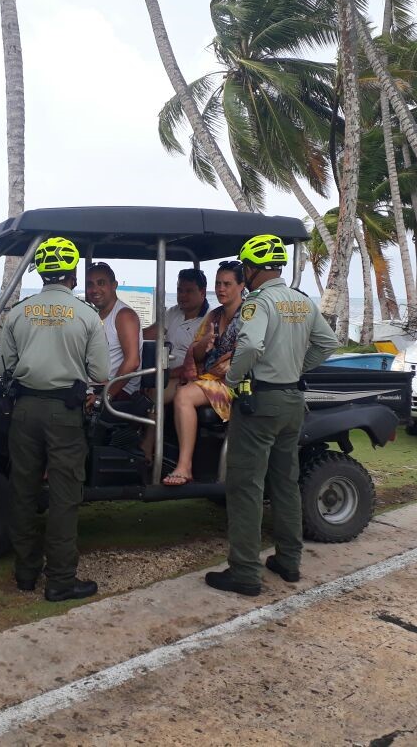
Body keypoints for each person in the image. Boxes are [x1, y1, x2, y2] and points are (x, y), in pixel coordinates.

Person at [205, 235, 338, 596]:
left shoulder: (257, 304)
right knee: (285, 483)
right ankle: (289, 561)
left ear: (249, 269)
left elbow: (249, 345)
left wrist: (232, 379)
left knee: (246, 486)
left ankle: (245, 573)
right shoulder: (301, 300)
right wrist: (297, 368)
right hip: (293, 400)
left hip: (259, 402)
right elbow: (328, 343)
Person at [0, 237, 110, 602]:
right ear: (73, 274)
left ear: (42, 272)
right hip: (65, 412)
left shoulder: (19, 311)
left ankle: (26, 573)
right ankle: (61, 580)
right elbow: (101, 372)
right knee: (64, 496)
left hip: (25, 409)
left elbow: (6, 367)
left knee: (23, 491)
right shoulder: (87, 315)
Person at [162, 261, 245, 486]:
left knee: (184, 395)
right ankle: (150, 451)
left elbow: (254, 351)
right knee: (160, 390)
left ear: (241, 286)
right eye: (218, 283)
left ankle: (184, 466)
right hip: (208, 378)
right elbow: (196, 354)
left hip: (235, 383)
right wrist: (205, 343)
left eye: (227, 284)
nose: (221, 289)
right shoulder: (215, 316)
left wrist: (230, 363)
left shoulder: (248, 317)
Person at [142, 268, 209, 401]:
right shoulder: (174, 312)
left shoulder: (209, 320)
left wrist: (164, 374)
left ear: (202, 292)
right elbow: (152, 333)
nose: (182, 296)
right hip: (164, 371)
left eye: (189, 291)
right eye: (180, 290)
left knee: (155, 395)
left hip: (187, 376)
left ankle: (151, 421)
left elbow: (199, 364)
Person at [84, 262, 141, 400]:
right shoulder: (94, 315)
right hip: (90, 386)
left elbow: (132, 362)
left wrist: (104, 397)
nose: (95, 289)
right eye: (90, 284)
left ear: (114, 285)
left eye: (101, 283)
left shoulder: (124, 316)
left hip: (115, 391)